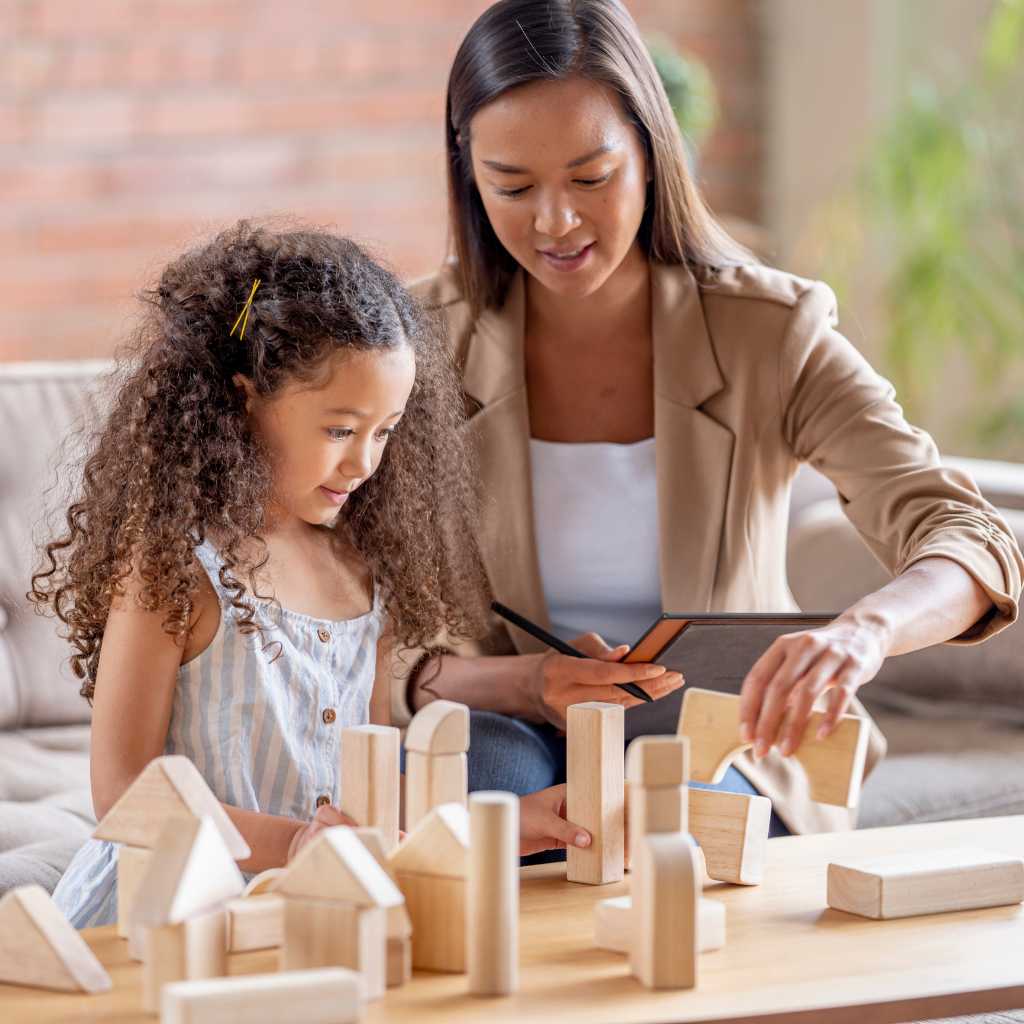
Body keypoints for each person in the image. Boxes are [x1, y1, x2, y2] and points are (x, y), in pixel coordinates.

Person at [401, 0, 1023, 840]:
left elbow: (967, 534)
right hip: (501, 718)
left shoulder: (768, 332)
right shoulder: (413, 345)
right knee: (487, 803)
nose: (555, 221)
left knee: (694, 838)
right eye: (512, 185)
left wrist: (862, 633)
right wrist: (531, 682)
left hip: (719, 731)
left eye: (591, 177)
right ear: (468, 173)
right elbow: (342, 625)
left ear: (653, 158)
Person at [30, 221, 589, 927]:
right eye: (340, 430)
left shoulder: (363, 571)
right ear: (243, 399)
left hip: (311, 909)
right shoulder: (172, 566)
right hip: (165, 909)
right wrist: (295, 844)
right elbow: (125, 792)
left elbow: (368, 796)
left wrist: (503, 824)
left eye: (385, 431)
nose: (365, 462)